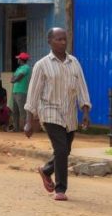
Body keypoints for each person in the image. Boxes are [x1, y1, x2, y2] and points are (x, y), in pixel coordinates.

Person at [25, 28, 91, 201]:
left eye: (65, 39)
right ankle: (60, 189)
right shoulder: (42, 65)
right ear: (50, 41)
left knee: (66, 149)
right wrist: (28, 121)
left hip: (69, 113)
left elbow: (82, 88)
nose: (63, 42)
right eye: (59, 39)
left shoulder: (74, 62)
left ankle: (46, 170)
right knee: (61, 148)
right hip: (49, 111)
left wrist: (85, 111)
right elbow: (33, 94)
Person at [10, 52, 31, 132]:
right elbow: (13, 78)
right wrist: (14, 79)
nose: (17, 59)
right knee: (15, 111)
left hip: (22, 92)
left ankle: (27, 128)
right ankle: (16, 128)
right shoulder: (19, 68)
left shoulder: (26, 67)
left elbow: (16, 78)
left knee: (22, 111)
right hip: (15, 91)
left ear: (21, 59)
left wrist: (14, 79)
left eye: (18, 58)